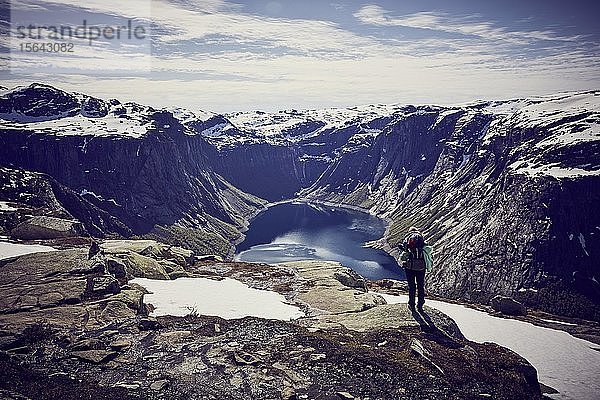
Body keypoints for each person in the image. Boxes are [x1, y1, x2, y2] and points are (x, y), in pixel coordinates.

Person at [399, 226, 433, 312]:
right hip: (421, 267)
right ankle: (420, 304)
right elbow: (429, 253)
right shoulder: (423, 242)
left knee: (412, 286)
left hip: (410, 267)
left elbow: (404, 255)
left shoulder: (408, 240)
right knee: (420, 286)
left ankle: (411, 303)